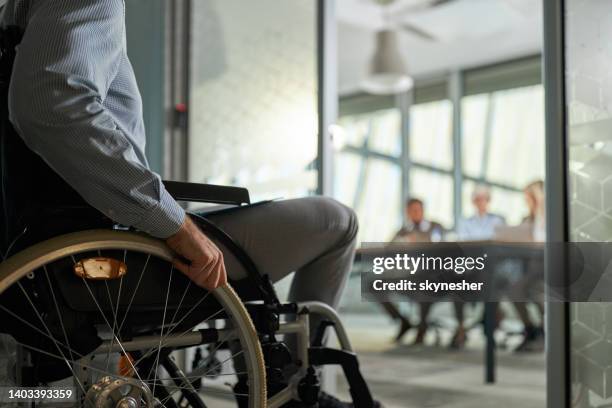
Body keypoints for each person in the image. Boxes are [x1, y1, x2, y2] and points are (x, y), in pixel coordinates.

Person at [1, 2, 361, 406]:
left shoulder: (13, 15)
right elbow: (52, 103)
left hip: (49, 255)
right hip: (102, 257)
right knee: (336, 221)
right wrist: (175, 225)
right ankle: (294, 388)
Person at [379, 198, 444, 345]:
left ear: (423, 210)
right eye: (411, 210)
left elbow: (442, 247)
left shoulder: (435, 227)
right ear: (407, 212)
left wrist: (419, 242)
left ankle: (422, 327)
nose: (415, 213)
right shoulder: (403, 230)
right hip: (407, 274)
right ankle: (403, 321)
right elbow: (388, 248)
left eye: (418, 210)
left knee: (423, 283)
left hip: (432, 275)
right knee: (374, 285)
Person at [453, 186, 507, 348]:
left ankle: (489, 328)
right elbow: (463, 246)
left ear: (488, 200)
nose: (480, 202)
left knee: (489, 282)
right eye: (477, 199)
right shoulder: (465, 222)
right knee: (456, 284)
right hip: (471, 267)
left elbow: (499, 244)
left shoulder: (498, 221)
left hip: (491, 268)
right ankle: (461, 328)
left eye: (483, 198)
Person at [510, 180, 546, 352]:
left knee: (535, 291)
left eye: (529, 198)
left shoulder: (552, 215)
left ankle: (543, 332)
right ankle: (531, 329)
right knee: (515, 289)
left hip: (549, 266)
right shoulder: (527, 219)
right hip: (532, 267)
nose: (527, 202)